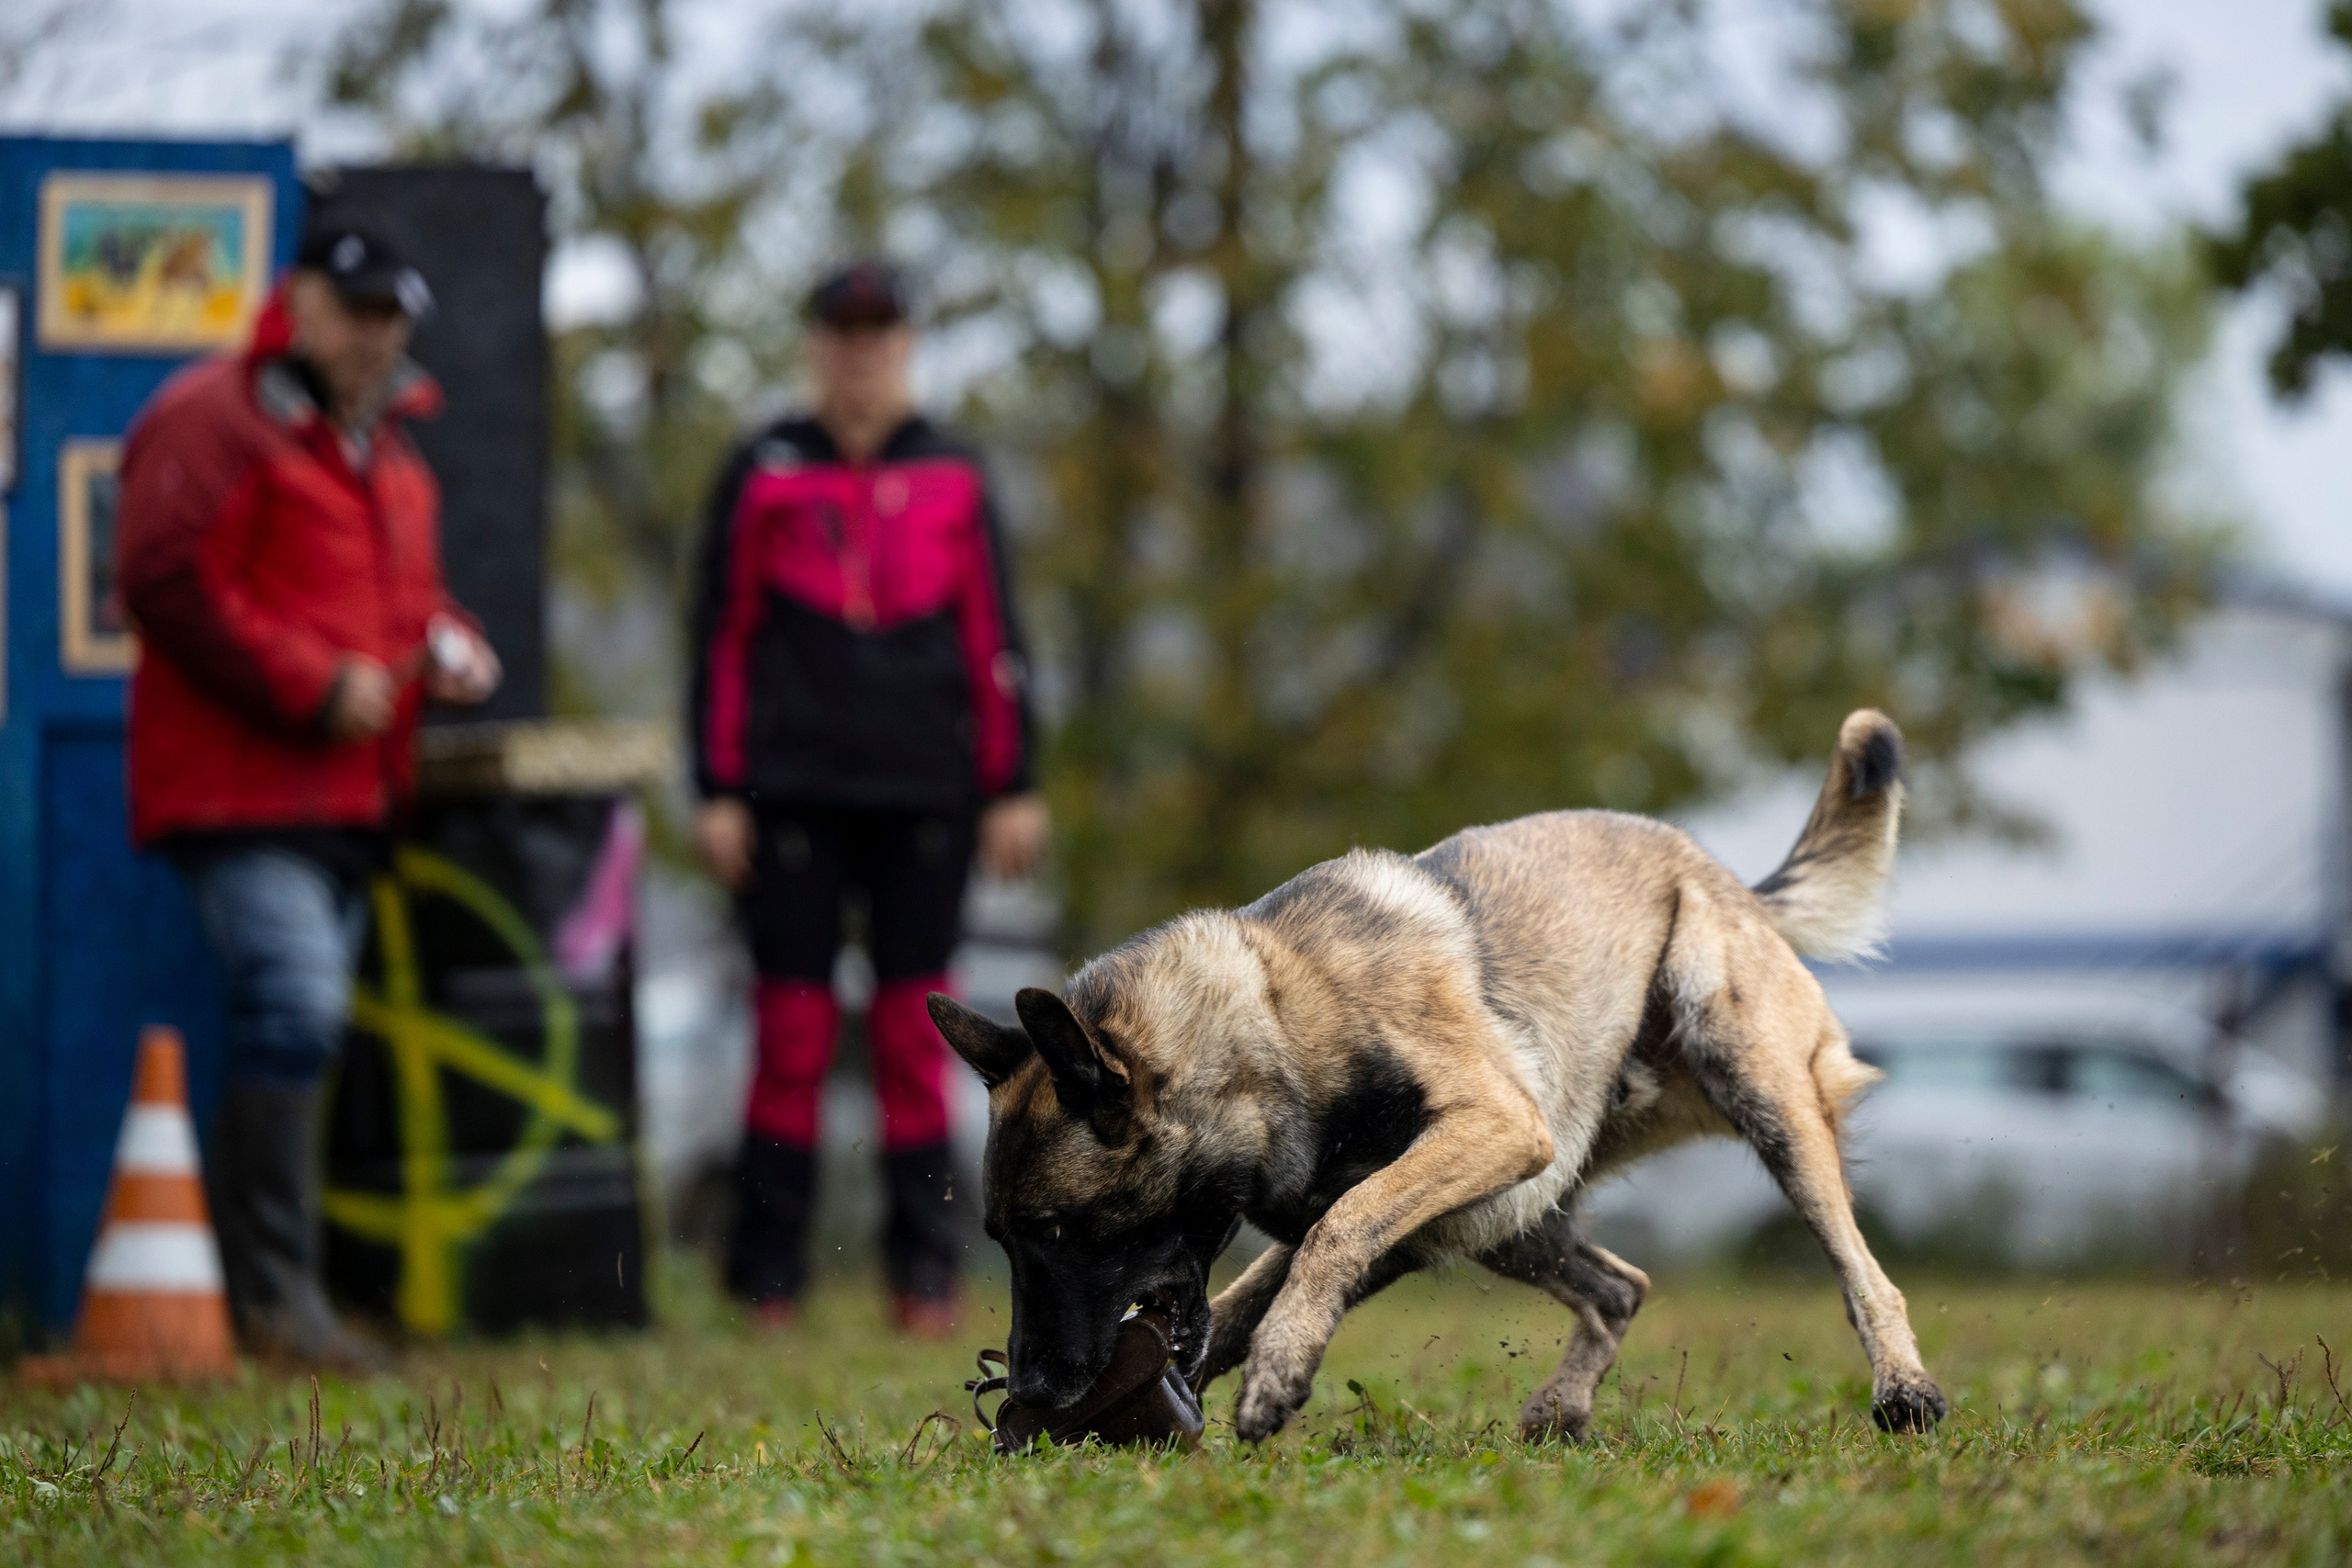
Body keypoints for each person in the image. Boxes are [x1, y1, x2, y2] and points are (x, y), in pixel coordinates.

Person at [118, 207, 501, 1368]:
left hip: (345, 802)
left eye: (390, 315)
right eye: (353, 310)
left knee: (302, 1019)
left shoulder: (391, 456)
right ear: (301, 301)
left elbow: (401, 607)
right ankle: (278, 1304)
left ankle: (279, 1295)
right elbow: (161, 579)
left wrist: (450, 642)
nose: (372, 335)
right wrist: (312, 684)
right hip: (239, 792)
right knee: (294, 1004)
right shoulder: (210, 419)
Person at [688, 261, 1048, 1335]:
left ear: (907, 344)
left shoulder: (955, 470)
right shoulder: (761, 467)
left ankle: (925, 1281)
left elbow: (997, 638)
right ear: (814, 345)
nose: (860, 353)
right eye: (842, 333)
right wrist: (715, 788)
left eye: (880, 332)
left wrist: (1013, 782)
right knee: (789, 1035)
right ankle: (768, 1283)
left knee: (913, 1039)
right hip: (788, 792)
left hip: (924, 794)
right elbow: (719, 638)